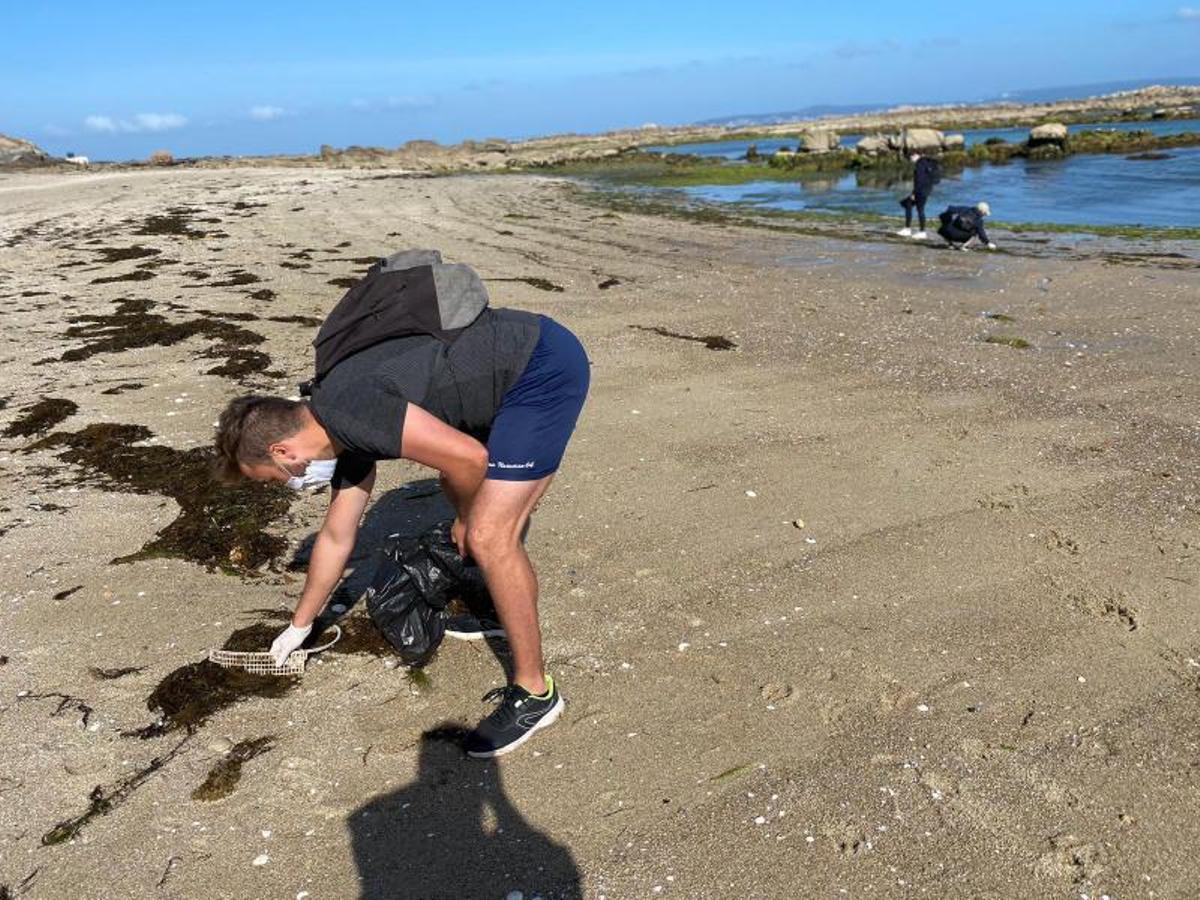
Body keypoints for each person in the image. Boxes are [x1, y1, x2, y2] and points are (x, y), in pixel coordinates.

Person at [213, 278, 589, 759]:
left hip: (541, 368)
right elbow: (335, 536)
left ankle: (536, 694)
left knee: (490, 534)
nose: (283, 485)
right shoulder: (335, 427)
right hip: (495, 379)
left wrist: (465, 516)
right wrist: (299, 625)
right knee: (483, 529)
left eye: (271, 478)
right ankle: (499, 613)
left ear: (282, 451)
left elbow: (470, 459)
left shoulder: (352, 412)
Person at [897, 151, 940, 239]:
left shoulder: (920, 164)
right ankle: (911, 229)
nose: (911, 160)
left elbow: (919, 180)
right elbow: (932, 179)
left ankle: (917, 231)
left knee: (918, 209)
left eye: (911, 158)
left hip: (921, 190)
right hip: (927, 189)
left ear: (915, 155)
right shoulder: (928, 163)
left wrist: (914, 193)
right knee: (908, 204)